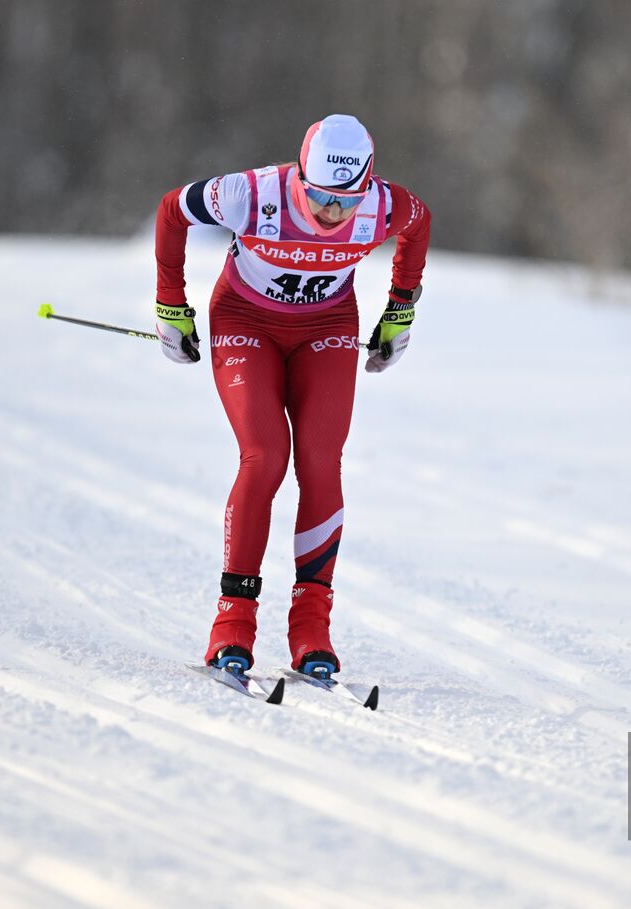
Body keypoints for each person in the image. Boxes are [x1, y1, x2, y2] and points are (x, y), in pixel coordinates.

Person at [152, 114, 431, 680]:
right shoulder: (252, 194)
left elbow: (419, 224)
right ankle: (232, 623)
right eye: (320, 197)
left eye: (345, 202)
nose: (332, 214)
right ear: (300, 177)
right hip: (244, 320)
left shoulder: (383, 204)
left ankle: (311, 630)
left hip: (326, 326)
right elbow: (170, 211)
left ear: (367, 186)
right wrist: (170, 305)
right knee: (265, 456)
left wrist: (399, 310)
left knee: (321, 463)